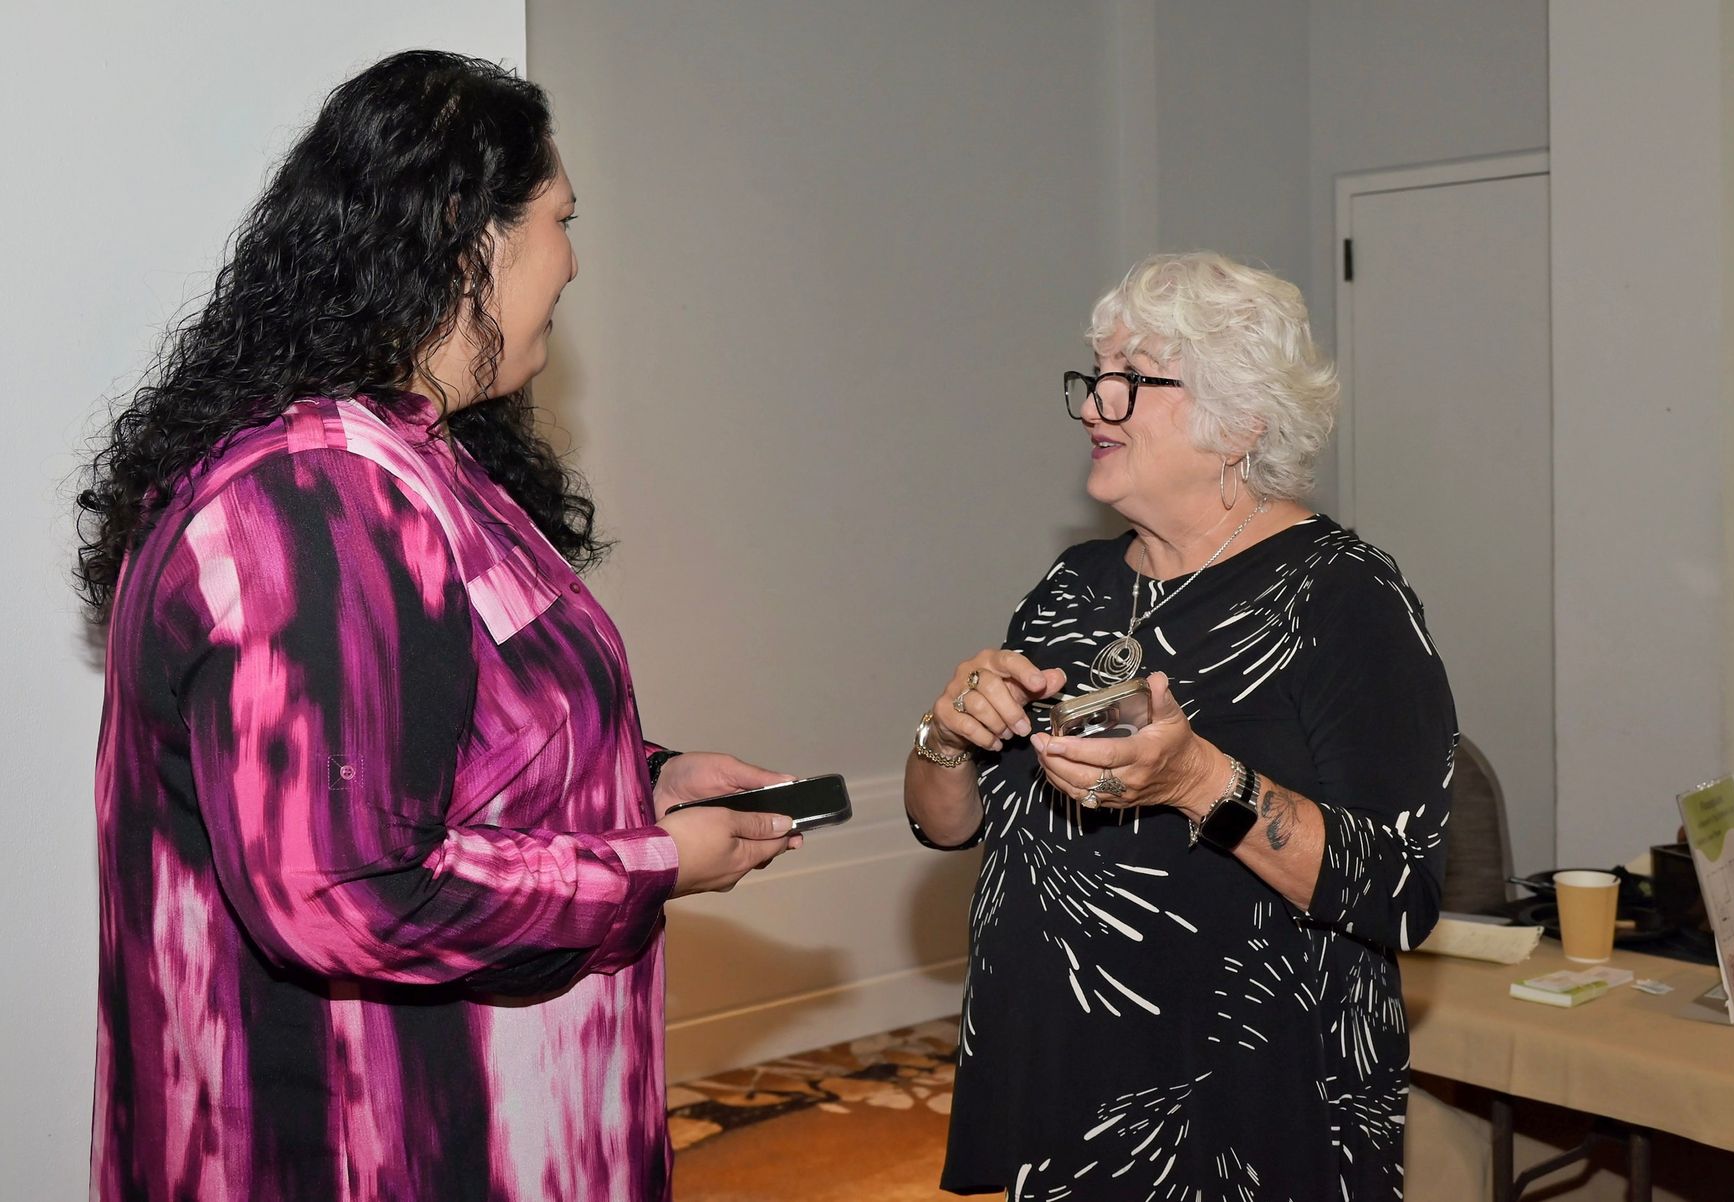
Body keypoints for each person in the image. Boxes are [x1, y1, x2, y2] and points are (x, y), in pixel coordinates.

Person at [77, 50, 800, 1202]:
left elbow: (444, 740)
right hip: (361, 1146)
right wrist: (652, 862)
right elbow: (344, 888)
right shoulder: (308, 500)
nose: (574, 260)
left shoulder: (413, 459)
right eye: (562, 220)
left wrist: (636, 778)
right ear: (474, 241)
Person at [905, 252, 1457, 1199]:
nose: (1093, 405)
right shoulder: (1073, 587)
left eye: (1131, 378)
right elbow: (950, 824)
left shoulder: (1343, 596)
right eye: (1094, 376)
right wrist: (947, 735)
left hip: (1244, 1093)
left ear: (1241, 420)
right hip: (1068, 1071)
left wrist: (1201, 781)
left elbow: (1399, 892)